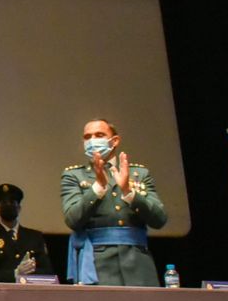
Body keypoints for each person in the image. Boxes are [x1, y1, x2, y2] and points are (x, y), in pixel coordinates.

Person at [62, 118, 168, 286]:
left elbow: (159, 219)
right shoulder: (74, 176)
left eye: (99, 135)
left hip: (138, 262)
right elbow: (72, 219)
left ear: (115, 140)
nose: (92, 141)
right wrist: (98, 187)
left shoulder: (138, 173)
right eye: (87, 137)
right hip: (98, 263)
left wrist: (128, 192)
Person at [0, 183, 54, 283]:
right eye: (4, 203)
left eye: (12, 202)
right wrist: (15, 273)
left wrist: (28, 272)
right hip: (0, 294)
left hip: (30, 292)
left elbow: (48, 272)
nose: (8, 205)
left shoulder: (34, 237)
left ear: (19, 207)